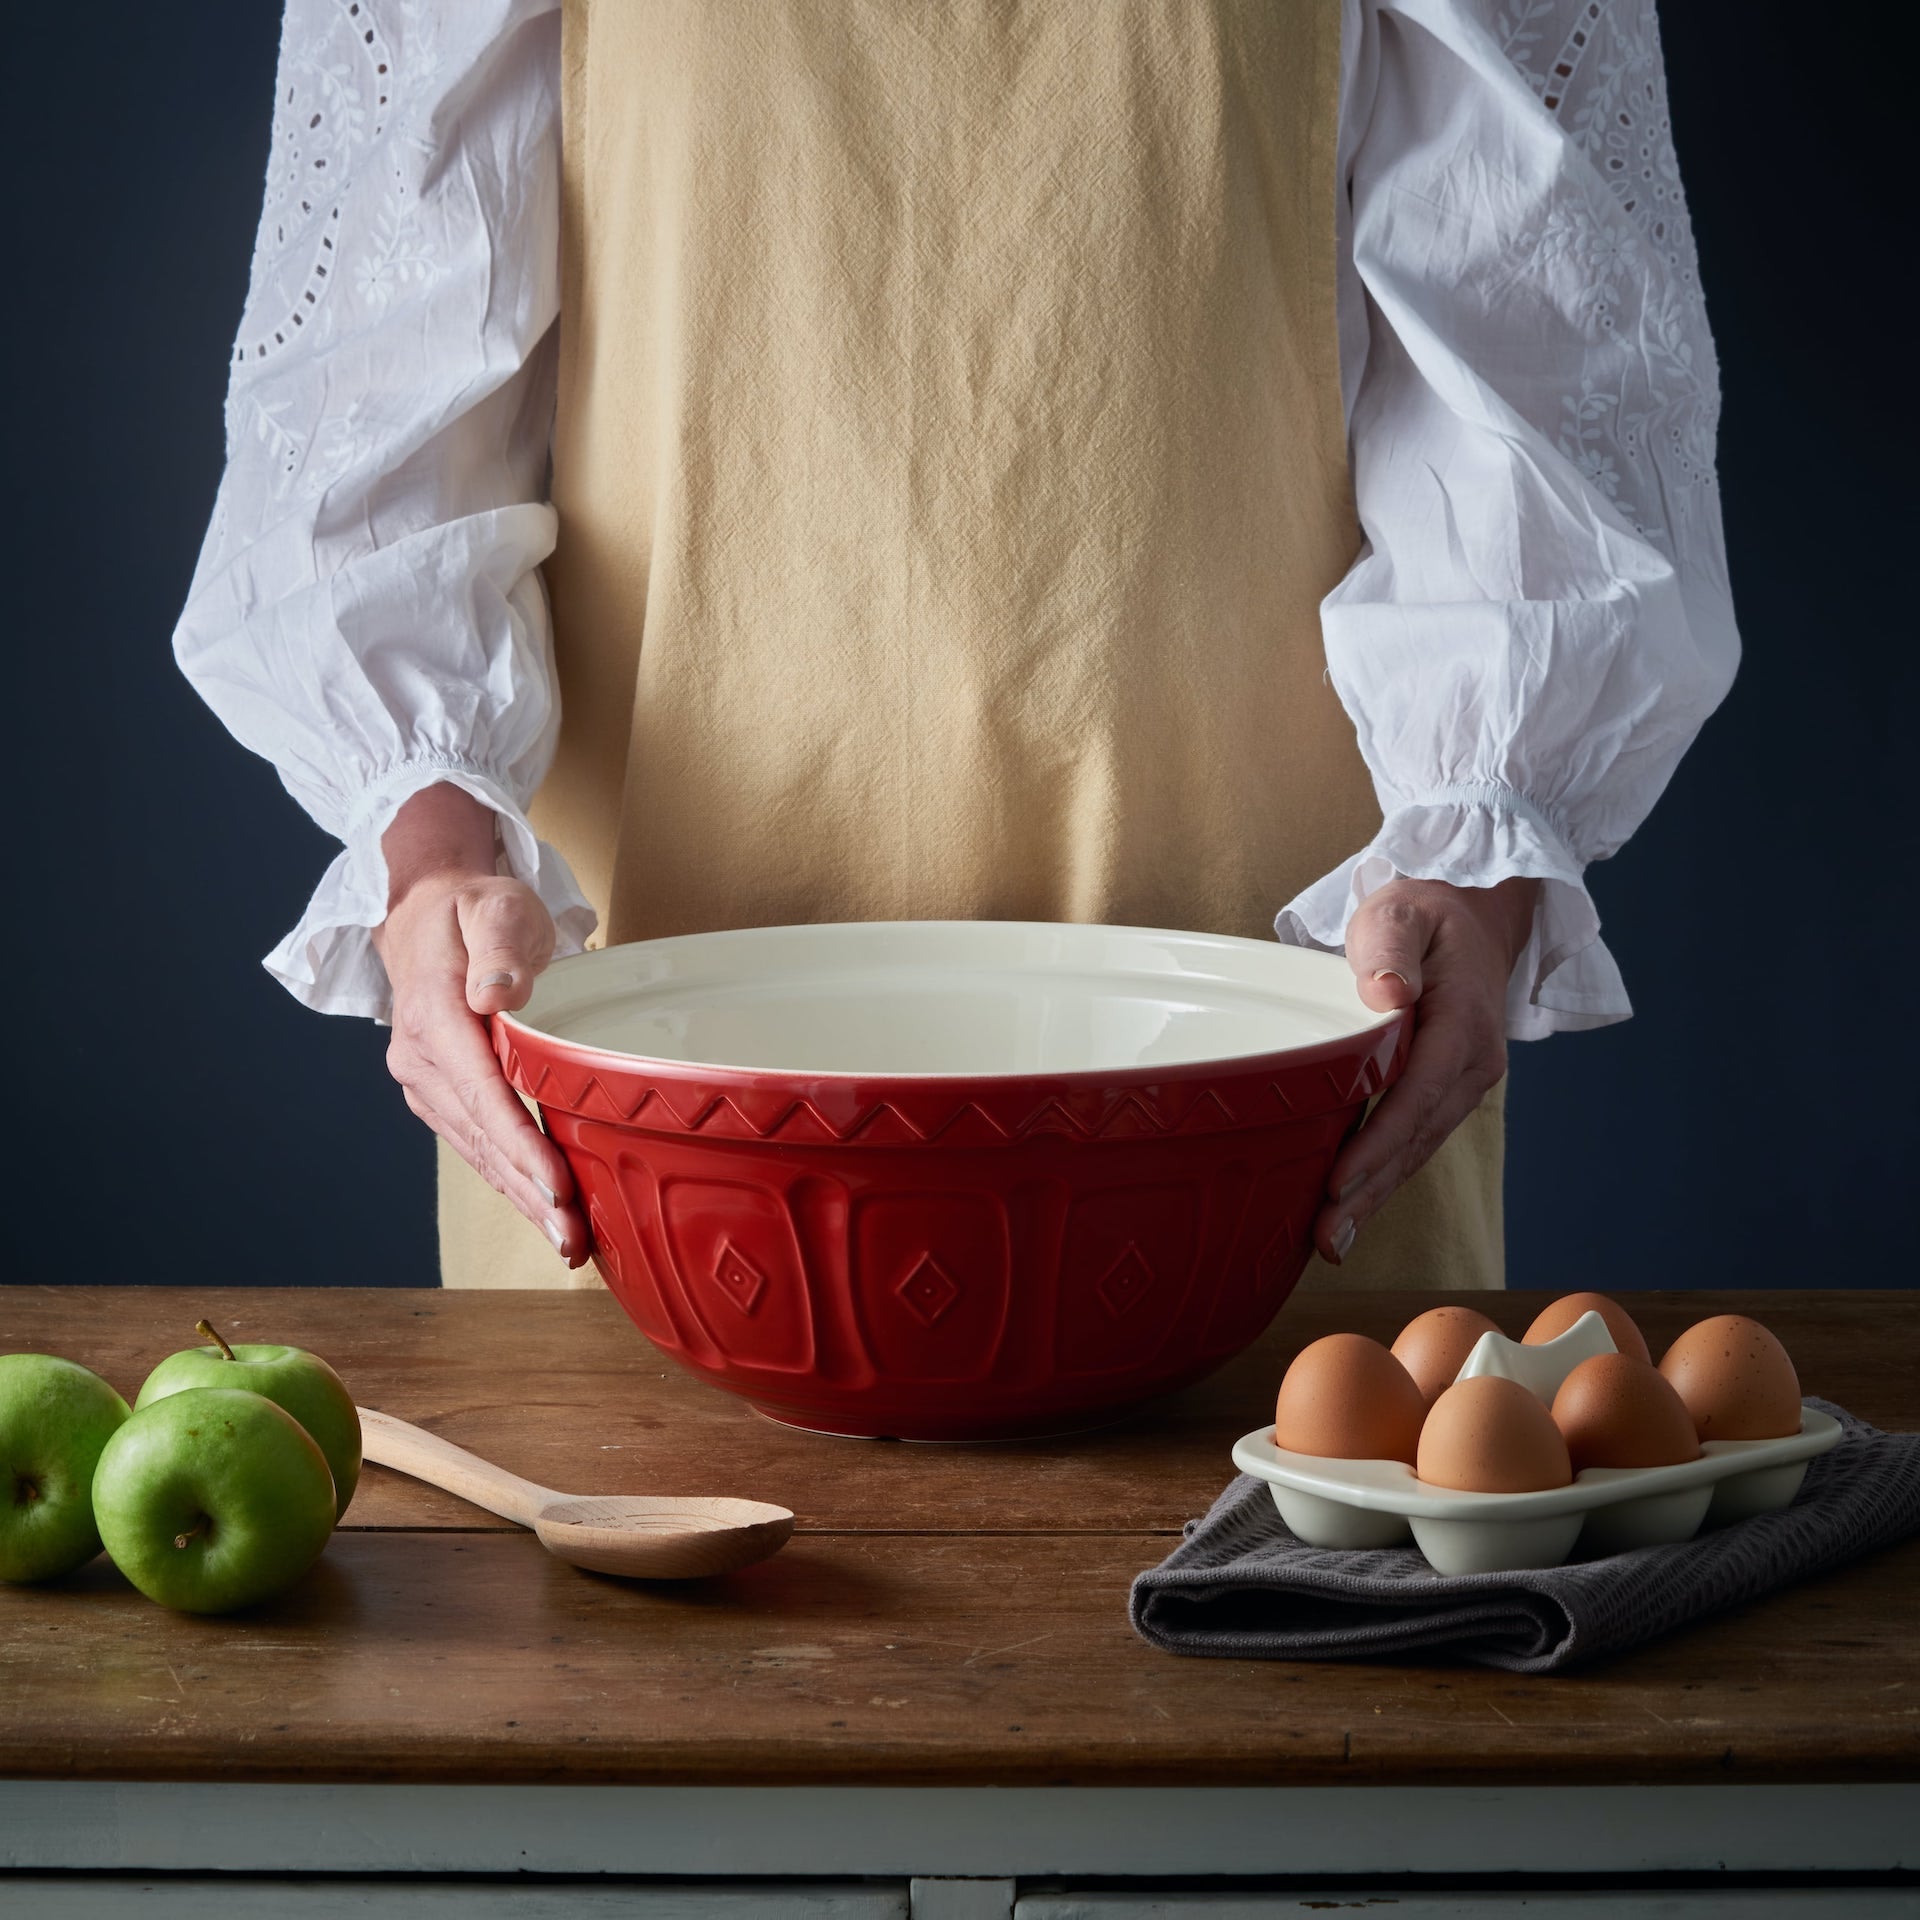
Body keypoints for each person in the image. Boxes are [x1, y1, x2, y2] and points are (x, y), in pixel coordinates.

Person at [173, 0, 1737, 1293]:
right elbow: (368, 433)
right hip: (644, 1130)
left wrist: (1476, 857)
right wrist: (435, 846)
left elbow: (1543, 378)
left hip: (1283, 1081)